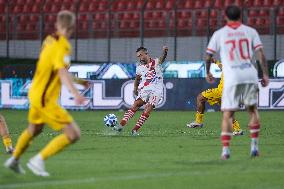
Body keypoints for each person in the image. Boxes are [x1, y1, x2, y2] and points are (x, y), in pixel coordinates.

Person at [4, 10, 86, 176]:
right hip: (45, 98)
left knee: (34, 129)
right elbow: (62, 71)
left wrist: (78, 81)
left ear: (57, 24)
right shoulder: (63, 45)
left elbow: (55, 69)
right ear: (72, 27)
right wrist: (75, 93)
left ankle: (14, 159)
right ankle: (38, 160)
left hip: (35, 92)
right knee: (73, 134)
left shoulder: (48, 40)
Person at [205, 5, 269, 160]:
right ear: (240, 16)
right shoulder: (250, 31)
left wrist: (208, 72)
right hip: (249, 73)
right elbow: (260, 54)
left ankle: (226, 151)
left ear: (225, 16)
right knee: (253, 110)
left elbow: (208, 56)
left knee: (227, 113)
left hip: (232, 75)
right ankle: (254, 147)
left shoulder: (219, 34)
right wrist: (265, 74)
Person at [113, 46, 168, 136]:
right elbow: (137, 79)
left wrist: (165, 52)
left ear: (146, 53)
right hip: (145, 90)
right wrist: (135, 88)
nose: (139, 58)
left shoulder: (156, 62)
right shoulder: (139, 67)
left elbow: (163, 58)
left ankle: (134, 130)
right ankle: (120, 125)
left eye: (141, 55)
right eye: (138, 56)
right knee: (136, 105)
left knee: (148, 108)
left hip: (156, 91)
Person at [186, 59, 243, 136]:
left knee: (200, 97)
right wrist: (216, 61)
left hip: (221, 92)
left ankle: (198, 121)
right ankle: (237, 129)